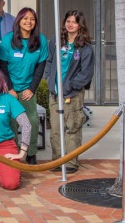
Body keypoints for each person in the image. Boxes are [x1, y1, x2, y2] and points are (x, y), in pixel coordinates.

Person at [44, 10, 94, 174]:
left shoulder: (85, 48)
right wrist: (50, 79)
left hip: (73, 95)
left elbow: (85, 73)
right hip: (55, 94)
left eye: (74, 21)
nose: (70, 24)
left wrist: (70, 86)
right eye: (68, 21)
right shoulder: (56, 41)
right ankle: (58, 161)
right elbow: (49, 61)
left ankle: (70, 162)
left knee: (72, 128)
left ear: (80, 25)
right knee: (56, 130)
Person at [0, 7, 48, 165]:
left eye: (32, 19)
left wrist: (32, 89)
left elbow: (41, 66)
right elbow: (2, 66)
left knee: (32, 121)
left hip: (28, 89)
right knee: (11, 121)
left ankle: (31, 153)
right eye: (25, 18)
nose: (29, 22)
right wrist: (10, 88)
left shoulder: (41, 39)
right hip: (9, 89)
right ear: (18, 20)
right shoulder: (8, 39)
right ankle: (13, 152)